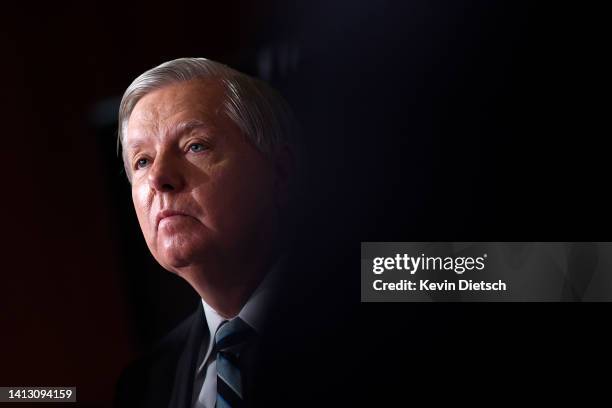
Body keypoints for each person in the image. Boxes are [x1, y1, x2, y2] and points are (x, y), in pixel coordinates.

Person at [113, 57, 324, 408]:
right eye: (142, 161)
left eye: (195, 146)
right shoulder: (144, 385)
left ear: (281, 173)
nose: (158, 178)